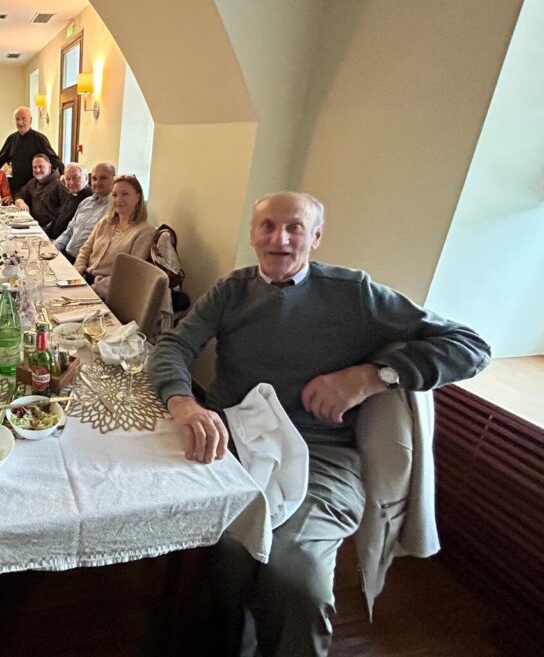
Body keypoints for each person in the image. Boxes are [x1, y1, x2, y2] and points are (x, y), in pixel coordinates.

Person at [148, 191, 491, 657]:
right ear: (253, 235)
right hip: (237, 445)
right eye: (268, 226)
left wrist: (372, 377)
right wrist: (185, 404)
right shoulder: (231, 291)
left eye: (294, 227)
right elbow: (172, 346)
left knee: (295, 575)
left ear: (316, 236)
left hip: (322, 456)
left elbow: (471, 346)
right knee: (224, 553)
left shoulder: (355, 294)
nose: (280, 239)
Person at [74, 174, 155, 299]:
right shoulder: (106, 222)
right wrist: (77, 272)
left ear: (138, 197)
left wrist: (90, 290)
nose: (118, 199)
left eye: (125, 194)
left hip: (107, 292)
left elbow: (129, 275)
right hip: (84, 279)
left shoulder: (145, 231)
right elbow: (85, 250)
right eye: (115, 195)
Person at [54, 162, 116, 262]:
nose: (97, 183)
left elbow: (104, 246)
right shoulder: (85, 203)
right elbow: (69, 230)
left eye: (103, 178)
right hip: (66, 254)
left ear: (114, 180)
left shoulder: (115, 209)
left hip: (85, 262)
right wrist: (53, 247)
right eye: (94, 178)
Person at [0, 106, 62, 192]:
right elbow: (0, 160)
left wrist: (63, 175)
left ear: (30, 120)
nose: (20, 122)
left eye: (23, 119)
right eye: (17, 119)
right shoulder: (11, 139)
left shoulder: (40, 138)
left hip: (36, 187)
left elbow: (54, 159)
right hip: (17, 186)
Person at [14, 153, 67, 234]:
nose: (37, 170)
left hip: (50, 231)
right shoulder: (33, 182)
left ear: (49, 167)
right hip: (33, 225)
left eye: (41, 167)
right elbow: (19, 194)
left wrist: (48, 229)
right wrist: (20, 202)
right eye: (35, 167)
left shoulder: (60, 184)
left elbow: (65, 214)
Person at [48, 163, 92, 241]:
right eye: (68, 179)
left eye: (76, 178)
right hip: (53, 237)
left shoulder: (89, 200)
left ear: (86, 177)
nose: (71, 182)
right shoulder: (71, 194)